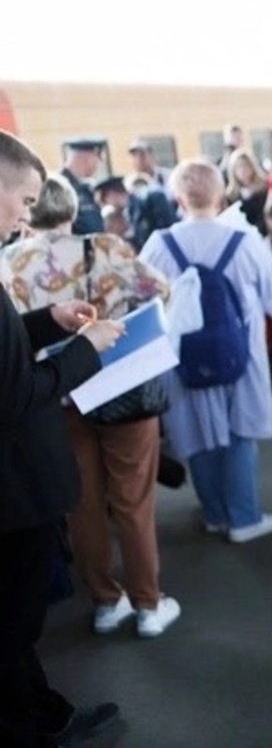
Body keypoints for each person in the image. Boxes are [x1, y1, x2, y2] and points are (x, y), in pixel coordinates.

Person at [1, 175, 180, 640]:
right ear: (71, 208)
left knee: (81, 503)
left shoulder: (9, 261)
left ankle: (105, 601)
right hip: (120, 390)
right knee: (132, 500)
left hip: (54, 395)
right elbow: (161, 290)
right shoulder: (107, 246)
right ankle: (148, 604)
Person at [0, 130, 127, 745]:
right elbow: (16, 394)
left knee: (14, 624)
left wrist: (46, 321)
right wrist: (86, 349)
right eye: (24, 201)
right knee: (13, 622)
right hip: (12, 488)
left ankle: (44, 716)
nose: (27, 217)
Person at [139, 159, 272, 542]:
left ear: (178, 199)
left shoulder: (158, 244)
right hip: (240, 351)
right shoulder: (243, 239)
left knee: (194, 432)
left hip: (181, 353)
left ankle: (215, 513)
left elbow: (139, 298)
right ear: (221, 196)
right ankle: (245, 518)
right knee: (240, 430)